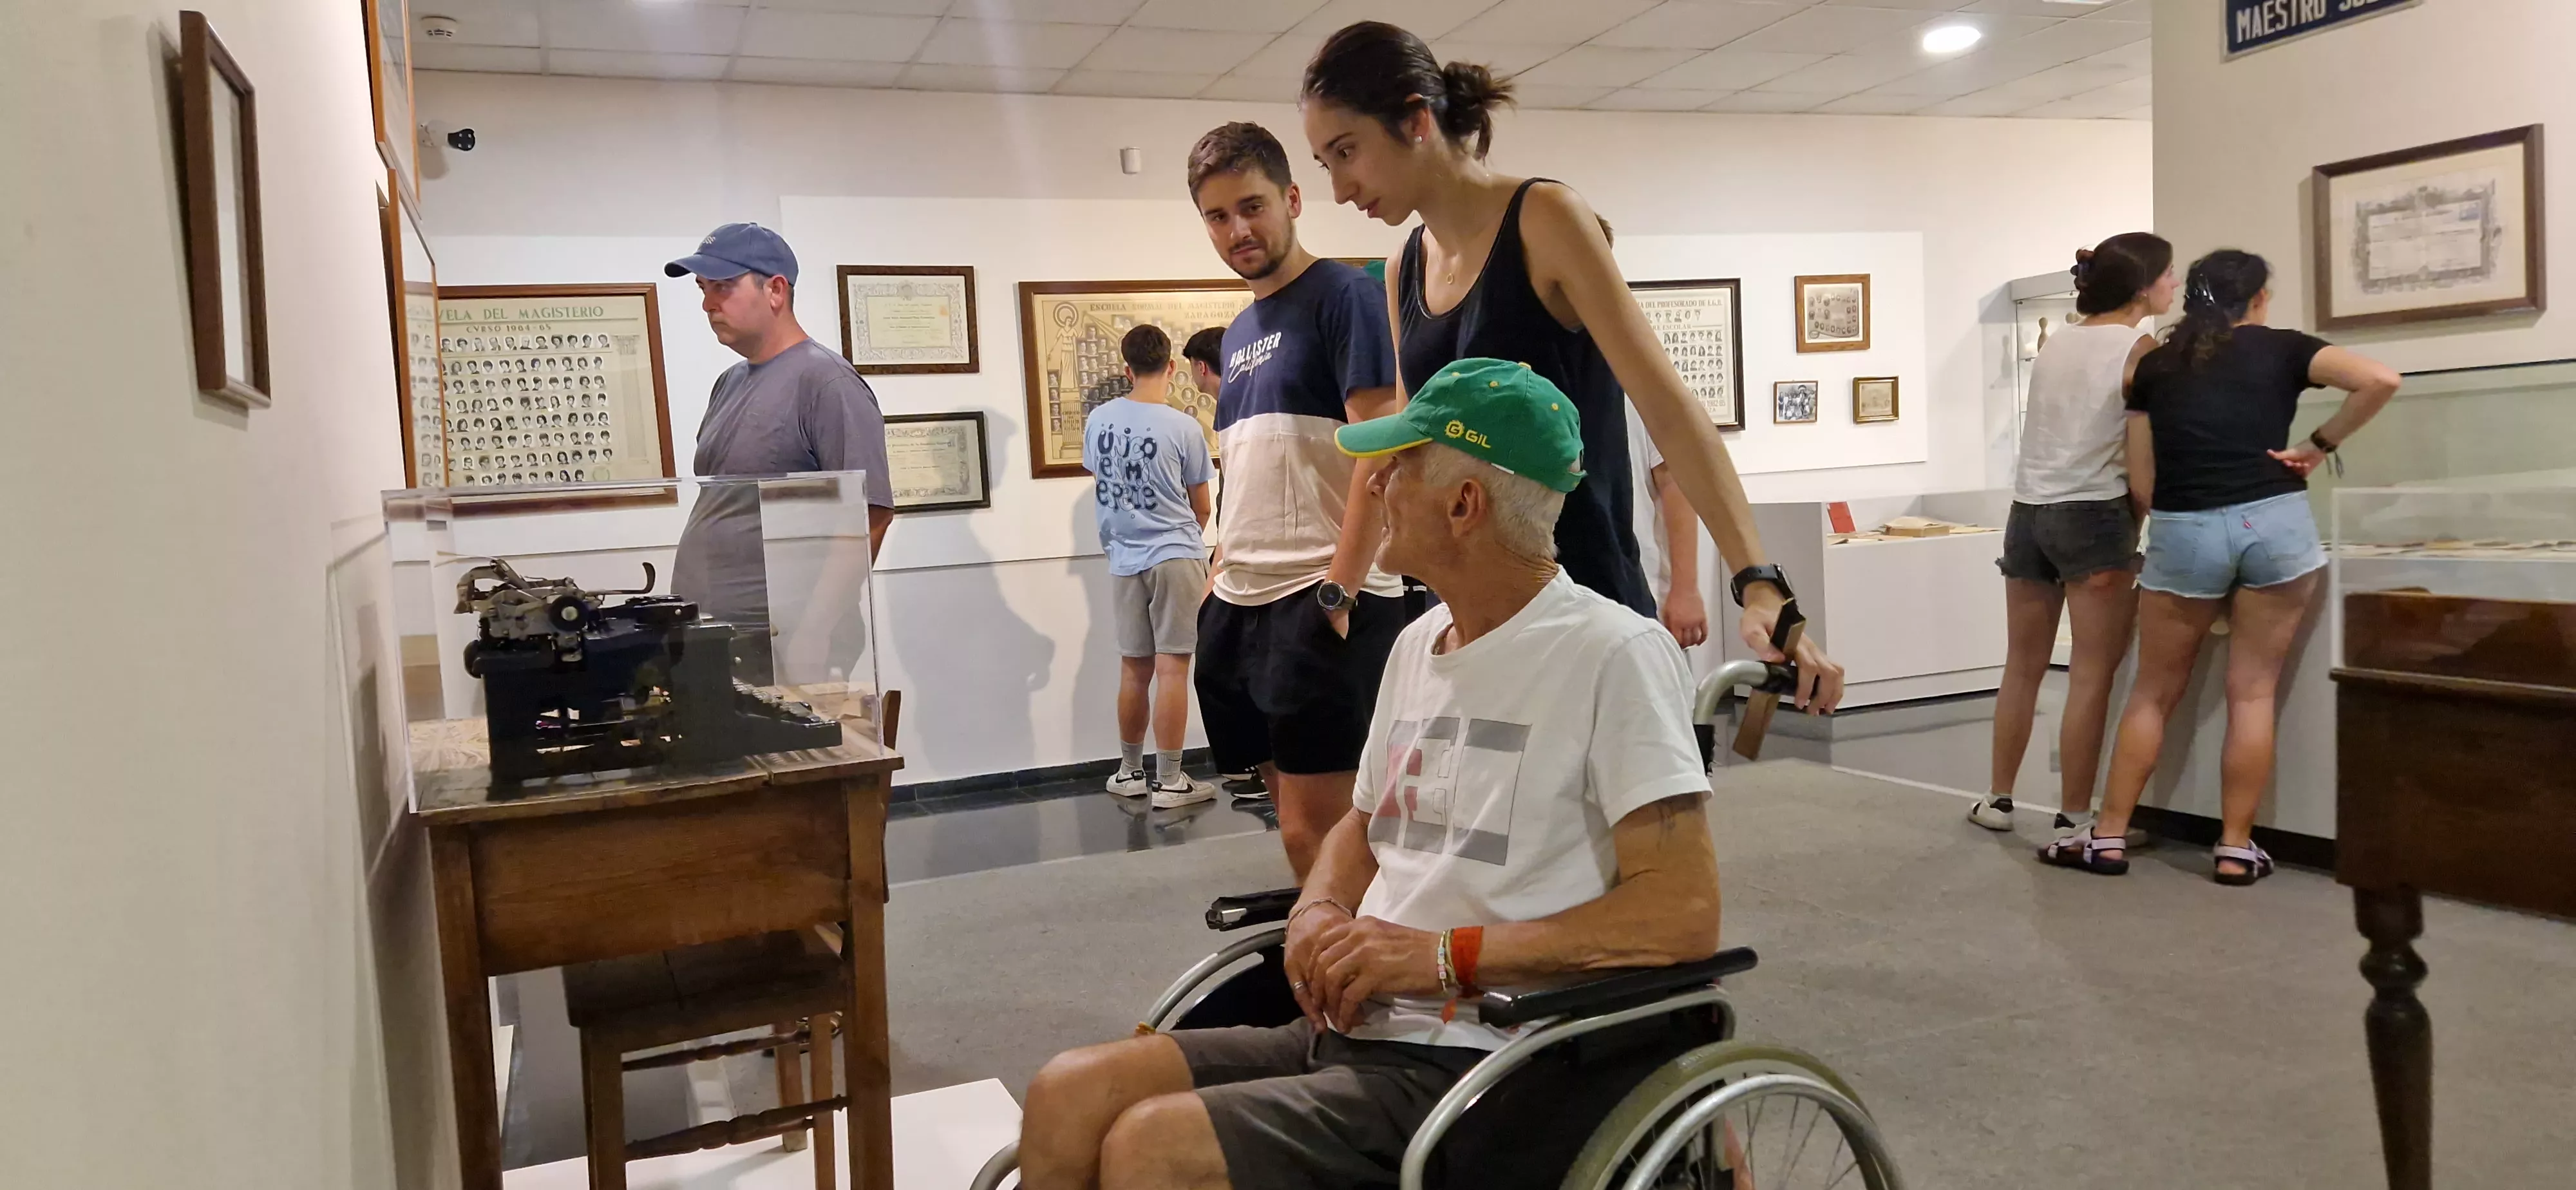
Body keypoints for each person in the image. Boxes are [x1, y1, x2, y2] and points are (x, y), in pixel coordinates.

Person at [1016, 360, 1721, 1190]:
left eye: (1399, 466)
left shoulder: (1613, 655)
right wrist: (1318, 908)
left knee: (1153, 1147)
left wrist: (1443, 959)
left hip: (1498, 1057)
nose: (1375, 484)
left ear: (1465, 505)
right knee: (1069, 1092)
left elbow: (1680, 915)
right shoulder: (1419, 644)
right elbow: (1364, 824)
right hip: (1360, 1025)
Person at [1299, 22, 1841, 713]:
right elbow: (1413, 444)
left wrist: (1758, 581)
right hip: (1471, 608)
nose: (1342, 188)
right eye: (1325, 165)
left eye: (1347, 152)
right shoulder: (1406, 265)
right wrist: (1346, 579)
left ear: (1415, 120)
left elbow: (1669, 409)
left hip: (1584, 595)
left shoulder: (1544, 218)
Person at [2045, 249, 2399, 885]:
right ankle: (2235, 848)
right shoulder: (2286, 348)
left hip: (2185, 528)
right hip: (2275, 523)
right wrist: (2317, 447)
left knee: (2151, 693)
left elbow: (2144, 479)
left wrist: (2182, 521)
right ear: (2259, 298)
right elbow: (2380, 380)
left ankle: (2107, 837)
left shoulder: (2156, 364)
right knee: (2253, 692)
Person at [1186, 120, 1413, 880]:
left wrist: (1341, 586)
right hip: (1243, 599)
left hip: (1318, 594)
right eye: (1217, 216)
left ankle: (1359, 984)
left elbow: (1381, 446)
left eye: (1251, 206)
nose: (1237, 230)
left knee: (1337, 830)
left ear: (1290, 198)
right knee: (1291, 827)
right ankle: (1325, 976)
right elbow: (1247, 465)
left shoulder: (1344, 296)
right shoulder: (1245, 326)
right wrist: (1219, 570)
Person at [1971, 233, 2175, 836]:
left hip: (2029, 511)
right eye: (2167, 275)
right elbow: (2140, 463)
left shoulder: (2059, 340)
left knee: (2022, 666)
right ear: (2143, 287)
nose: (2173, 285)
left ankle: (1998, 799)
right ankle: (2075, 817)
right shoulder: (2141, 348)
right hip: (2094, 513)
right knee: (2090, 673)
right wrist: (2147, 517)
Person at [663, 222, 894, 682]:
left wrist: (813, 631)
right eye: (703, 289)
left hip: (778, 643)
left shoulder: (827, 383)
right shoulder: (729, 383)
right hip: (715, 636)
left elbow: (870, 515)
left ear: (775, 290)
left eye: (723, 287)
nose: (709, 304)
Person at [1085, 325, 1218, 811]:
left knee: (1133, 668)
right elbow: (1203, 506)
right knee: (1173, 669)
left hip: (1123, 557)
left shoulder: (1099, 420)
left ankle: (1128, 771)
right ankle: (1170, 780)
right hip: (1175, 554)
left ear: (1126, 369)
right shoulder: (1183, 426)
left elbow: (1103, 481)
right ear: (1170, 367)